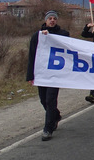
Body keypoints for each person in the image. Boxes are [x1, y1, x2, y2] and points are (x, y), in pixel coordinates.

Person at [26, 11, 70, 141]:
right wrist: (30, 75)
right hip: (41, 73)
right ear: (45, 20)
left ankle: (48, 129)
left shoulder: (62, 34)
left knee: (51, 100)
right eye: (49, 18)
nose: (52, 20)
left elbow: (66, 41)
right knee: (43, 100)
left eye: (54, 18)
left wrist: (50, 35)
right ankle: (55, 115)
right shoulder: (37, 36)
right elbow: (32, 56)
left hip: (55, 74)